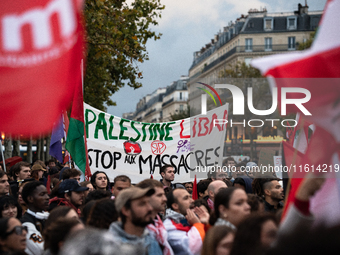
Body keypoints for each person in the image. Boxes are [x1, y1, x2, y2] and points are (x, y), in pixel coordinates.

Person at [109, 186, 162, 255]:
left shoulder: (151, 241)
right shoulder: (110, 246)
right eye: (142, 204)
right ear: (126, 210)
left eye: (149, 203)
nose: (150, 208)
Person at [164, 188, 207, 255]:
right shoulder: (169, 226)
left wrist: (207, 224)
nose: (192, 200)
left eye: (190, 197)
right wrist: (198, 224)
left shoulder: (190, 218)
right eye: (186, 198)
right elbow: (193, 249)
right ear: (175, 206)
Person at [136, 179, 173, 255]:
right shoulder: (137, 229)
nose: (165, 199)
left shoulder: (157, 221)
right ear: (145, 198)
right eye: (159, 195)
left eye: (164, 195)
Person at [21, 181, 50, 255]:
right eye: (42, 194)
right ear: (30, 199)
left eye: (47, 194)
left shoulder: (47, 216)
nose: (47, 197)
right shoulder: (26, 224)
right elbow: (41, 250)